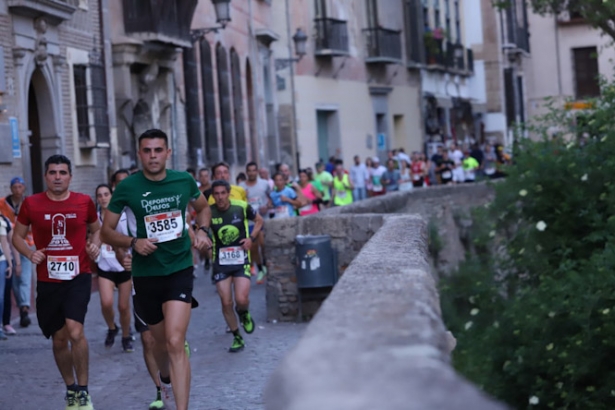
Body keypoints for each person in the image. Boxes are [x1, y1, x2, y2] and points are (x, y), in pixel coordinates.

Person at [101, 129, 212, 410]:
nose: (153, 156)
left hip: (179, 269)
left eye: (158, 150)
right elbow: (105, 232)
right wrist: (133, 242)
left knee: (176, 342)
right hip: (146, 274)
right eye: (147, 151)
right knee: (159, 344)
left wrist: (202, 231)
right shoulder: (127, 187)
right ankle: (164, 375)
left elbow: (203, 208)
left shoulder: (183, 180)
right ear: (140, 154)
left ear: (168, 153)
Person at [12, 154, 101, 409]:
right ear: (46, 176)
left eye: (63, 172)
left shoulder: (83, 202)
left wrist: (94, 247)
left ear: (70, 177)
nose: (58, 177)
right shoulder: (32, 204)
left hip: (78, 276)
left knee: (75, 330)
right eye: (53, 173)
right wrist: (30, 254)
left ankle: (83, 390)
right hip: (48, 279)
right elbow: (17, 236)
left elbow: (96, 230)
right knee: (59, 338)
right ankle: (71, 388)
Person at [209, 180, 263, 352]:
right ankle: (237, 337)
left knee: (241, 299)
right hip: (221, 262)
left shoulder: (241, 206)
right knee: (226, 302)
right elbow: (197, 229)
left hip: (241, 260)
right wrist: (203, 241)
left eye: (222, 193)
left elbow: (259, 221)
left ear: (228, 193)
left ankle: (244, 313)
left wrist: (251, 239)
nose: (220, 197)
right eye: (216, 194)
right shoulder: (209, 212)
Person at [95, 184, 133, 352]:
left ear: (111, 196)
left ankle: (126, 336)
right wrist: (93, 247)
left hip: (123, 267)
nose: (103, 198)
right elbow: (92, 239)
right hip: (105, 267)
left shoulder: (123, 217)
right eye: (100, 195)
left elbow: (130, 239)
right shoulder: (95, 219)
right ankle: (112, 327)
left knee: (123, 307)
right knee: (106, 303)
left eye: (106, 194)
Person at [0, 176, 34, 328]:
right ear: (11, 189)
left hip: (26, 244)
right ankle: (22, 306)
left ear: (24, 188)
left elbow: (35, 223)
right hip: (9, 245)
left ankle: (25, 310)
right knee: (14, 281)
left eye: (21, 187)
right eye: (15, 187)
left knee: (25, 278)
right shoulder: (3, 204)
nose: (18, 190)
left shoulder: (30, 203)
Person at [240, 162, 272, 284]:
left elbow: (271, 199)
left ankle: (265, 263)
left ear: (257, 171)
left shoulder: (264, 184)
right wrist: (244, 197)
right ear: (247, 172)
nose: (252, 173)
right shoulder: (241, 187)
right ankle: (260, 268)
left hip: (263, 218)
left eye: (254, 170)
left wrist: (267, 206)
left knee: (263, 243)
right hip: (249, 220)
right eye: (250, 170)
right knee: (253, 246)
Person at [0, 212, 13, 340]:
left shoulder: (1, 221)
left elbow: (4, 243)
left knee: (0, 296)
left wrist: (10, 263)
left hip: (1, 261)